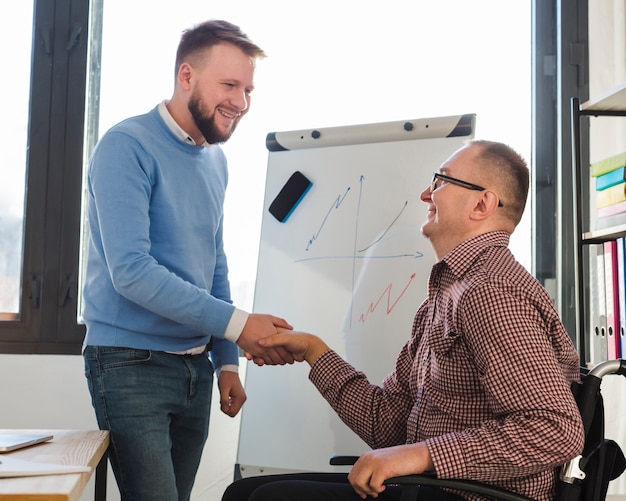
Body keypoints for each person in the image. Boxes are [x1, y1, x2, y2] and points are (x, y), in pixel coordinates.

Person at [224, 140, 585, 501]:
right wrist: (313, 351)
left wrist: (419, 455)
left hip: (476, 496)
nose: (426, 193)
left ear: (481, 204)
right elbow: (387, 424)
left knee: (266, 498)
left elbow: (555, 429)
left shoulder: (490, 292)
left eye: (441, 181)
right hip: (434, 487)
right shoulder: (446, 296)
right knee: (243, 493)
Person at [82, 19, 294, 501]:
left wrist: (226, 362)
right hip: (129, 363)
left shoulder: (215, 161)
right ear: (186, 77)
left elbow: (212, 264)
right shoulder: (126, 146)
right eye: (229, 85)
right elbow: (131, 272)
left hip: (197, 369)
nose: (240, 102)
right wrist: (240, 327)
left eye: (247, 89)